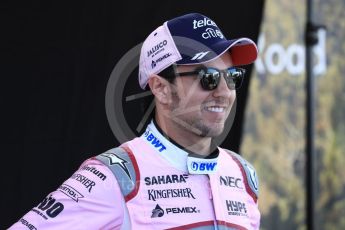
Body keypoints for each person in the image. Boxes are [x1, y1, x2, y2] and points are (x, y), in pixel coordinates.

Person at [10, 13, 260, 229]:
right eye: (209, 77)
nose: (225, 92)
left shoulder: (242, 173)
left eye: (233, 77)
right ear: (161, 88)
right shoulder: (113, 176)